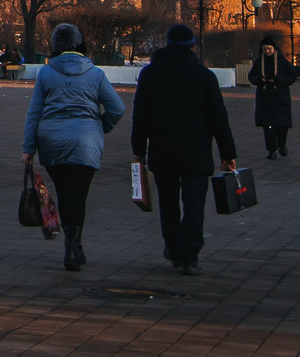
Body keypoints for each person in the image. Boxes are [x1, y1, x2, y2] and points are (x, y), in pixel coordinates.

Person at [128, 24, 239, 275]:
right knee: (194, 204)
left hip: (163, 149)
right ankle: (190, 254)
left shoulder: (150, 75)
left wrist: (138, 150)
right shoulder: (204, 76)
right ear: (192, 46)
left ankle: (173, 247)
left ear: (166, 44)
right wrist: (227, 154)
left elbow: (140, 114)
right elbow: (218, 118)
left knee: (167, 202)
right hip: (196, 151)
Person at [23, 22, 125, 272]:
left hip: (52, 142)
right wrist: (100, 126)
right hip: (85, 142)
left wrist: (28, 148)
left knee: (65, 191)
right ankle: (73, 248)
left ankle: (72, 247)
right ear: (80, 44)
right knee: (79, 194)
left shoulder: (46, 74)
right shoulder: (95, 74)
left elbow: (34, 113)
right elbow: (117, 108)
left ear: (55, 46)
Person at [249, 31, 297, 159]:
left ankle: (282, 144)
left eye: (269, 49)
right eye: (265, 49)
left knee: (282, 125)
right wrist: (260, 79)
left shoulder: (282, 61)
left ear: (274, 49)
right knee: (267, 126)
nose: (267, 51)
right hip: (265, 97)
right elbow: (251, 76)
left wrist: (278, 80)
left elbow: (292, 76)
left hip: (280, 97)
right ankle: (271, 150)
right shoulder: (259, 62)